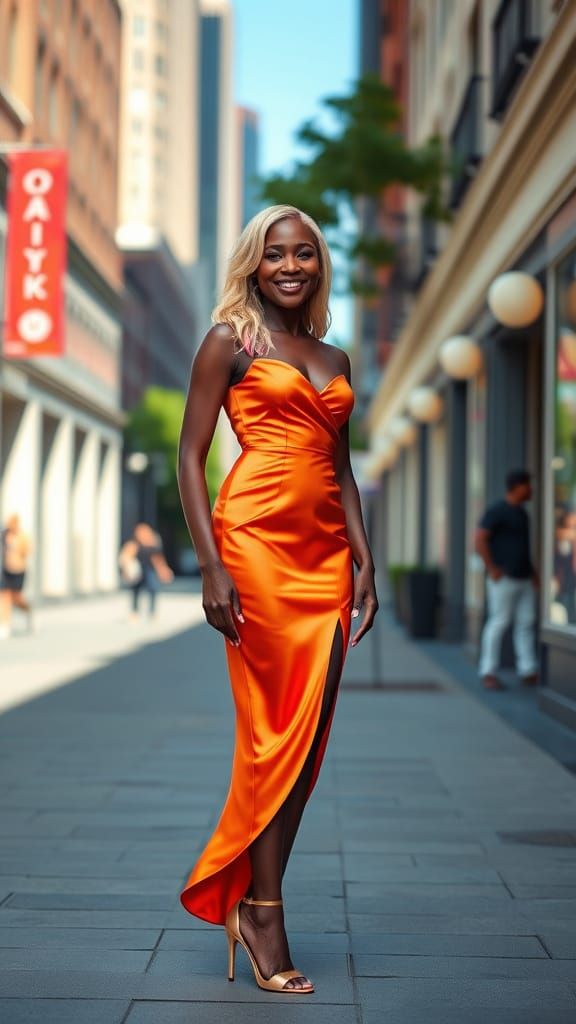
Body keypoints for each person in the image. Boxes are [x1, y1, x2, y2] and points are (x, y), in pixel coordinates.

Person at [177, 205, 378, 994]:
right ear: (253, 265)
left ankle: (259, 903)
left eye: (303, 254)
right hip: (254, 547)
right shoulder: (232, 340)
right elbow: (190, 457)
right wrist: (210, 567)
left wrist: (364, 554)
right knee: (271, 735)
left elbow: (341, 465)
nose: (289, 266)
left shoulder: (337, 354)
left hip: (326, 558)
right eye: (274, 255)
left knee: (308, 741)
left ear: (319, 265)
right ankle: (263, 911)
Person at [475, 469, 538, 690]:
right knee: (499, 623)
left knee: (526, 624)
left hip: (524, 578)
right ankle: (488, 671)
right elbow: (479, 539)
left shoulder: (522, 513)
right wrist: (492, 568)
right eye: (528, 484)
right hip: (503, 579)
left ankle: (528, 669)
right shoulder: (497, 511)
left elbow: (523, 547)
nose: (531, 489)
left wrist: (534, 573)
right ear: (518, 486)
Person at [118, 523, 173, 619]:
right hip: (138, 571)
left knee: (153, 588)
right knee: (135, 590)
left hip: (149, 570)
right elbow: (126, 558)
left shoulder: (152, 545)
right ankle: (134, 612)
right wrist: (125, 571)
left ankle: (152, 612)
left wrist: (163, 570)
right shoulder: (134, 544)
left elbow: (157, 560)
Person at [0, 514, 33, 638]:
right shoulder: (3, 535)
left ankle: (28, 611)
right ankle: (5, 625)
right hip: (5, 571)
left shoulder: (23, 536)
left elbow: (27, 552)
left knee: (17, 598)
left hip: (18, 570)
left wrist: (16, 547)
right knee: (4, 597)